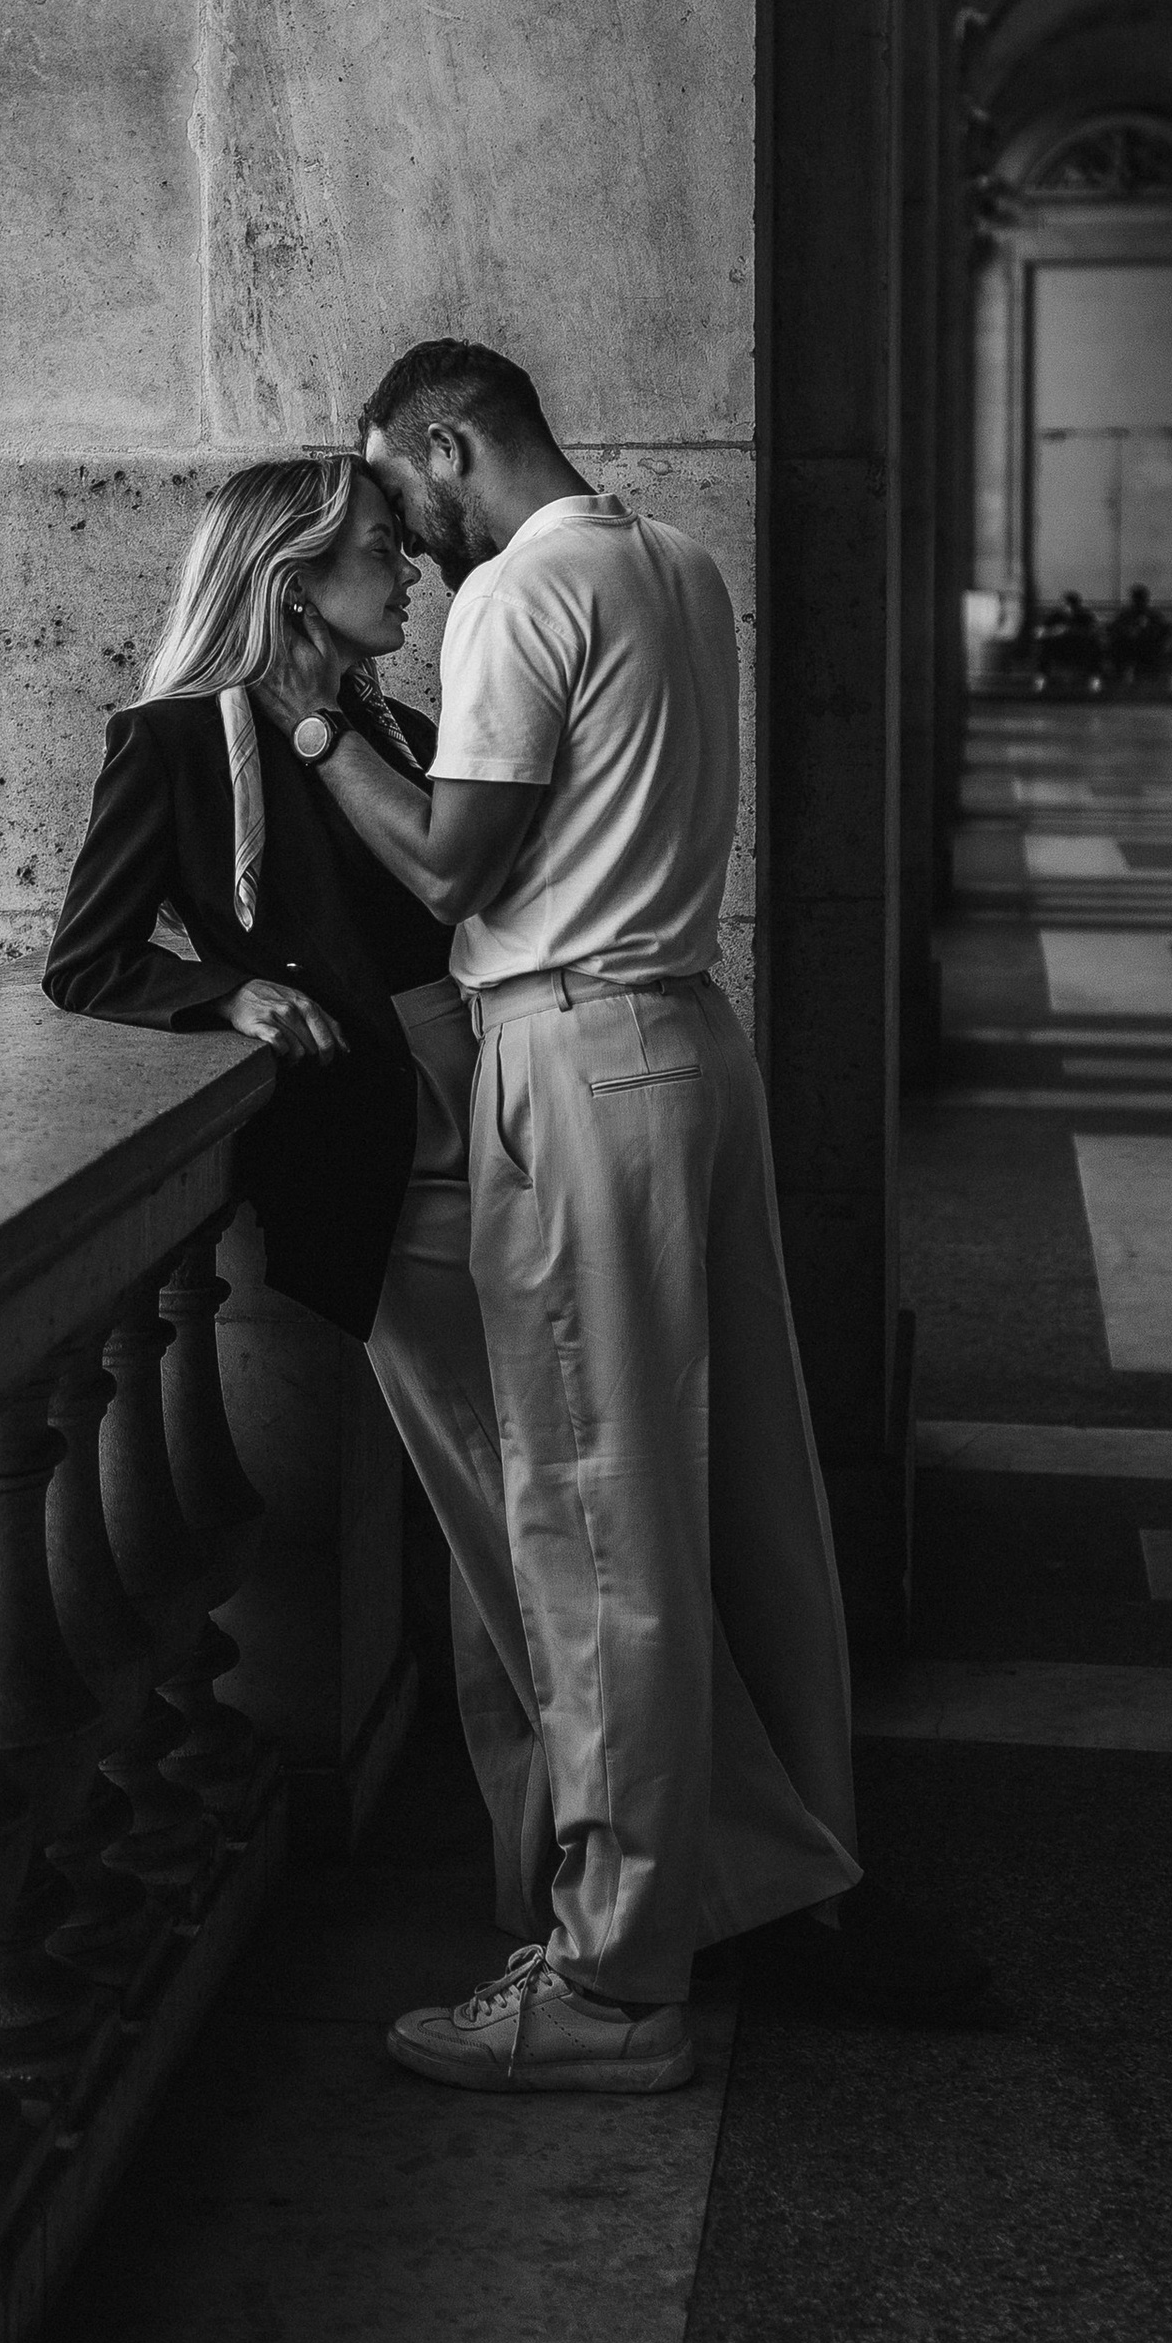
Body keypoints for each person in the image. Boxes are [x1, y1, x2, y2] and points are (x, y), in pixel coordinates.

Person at [257, 340, 864, 2095]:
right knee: (739, 1502)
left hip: (577, 1055)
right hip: (689, 1040)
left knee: (594, 1530)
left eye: (401, 482)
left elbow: (454, 868)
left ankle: (613, 1983)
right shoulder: (677, 562)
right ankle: (772, 1868)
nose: (398, 528)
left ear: (453, 439)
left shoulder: (521, 593)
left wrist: (301, 720)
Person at [37, 454, 543, 1906]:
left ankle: (559, 1870)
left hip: (506, 1115)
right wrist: (229, 996)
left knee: (531, 1512)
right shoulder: (177, 741)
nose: (411, 571)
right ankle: (577, 1882)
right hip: (394, 1152)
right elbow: (88, 956)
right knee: (510, 1516)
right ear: (290, 580)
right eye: (381, 550)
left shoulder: (397, 722)